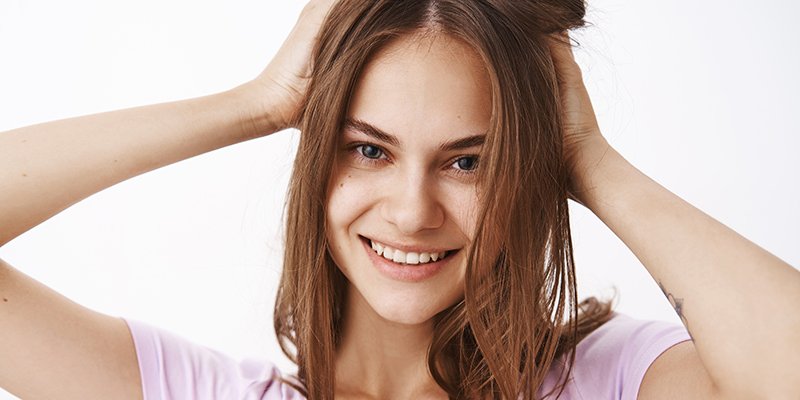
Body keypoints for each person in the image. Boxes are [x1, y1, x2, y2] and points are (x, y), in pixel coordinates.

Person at [1, 0, 798, 399]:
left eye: (468, 163)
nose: (413, 211)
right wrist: (257, 103)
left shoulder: (609, 380)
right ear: (318, 158)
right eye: (369, 149)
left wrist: (586, 160)